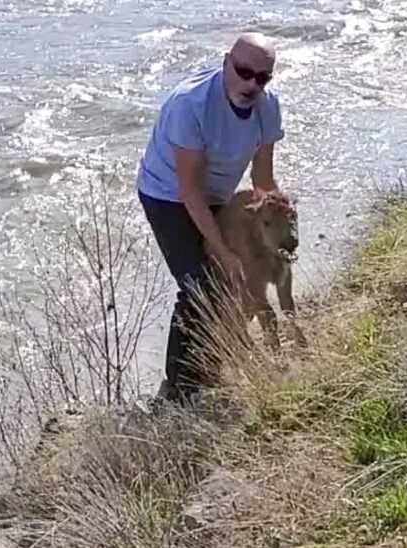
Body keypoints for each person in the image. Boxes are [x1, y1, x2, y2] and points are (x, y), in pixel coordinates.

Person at [136, 32, 285, 404]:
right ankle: (178, 392)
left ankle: (213, 364)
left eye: (261, 77)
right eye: (244, 71)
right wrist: (222, 250)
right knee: (202, 283)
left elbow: (262, 180)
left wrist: (279, 214)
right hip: (168, 194)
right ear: (226, 63)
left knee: (243, 277)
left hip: (218, 194)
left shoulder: (267, 108)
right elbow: (189, 190)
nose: (251, 83)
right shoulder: (191, 105)